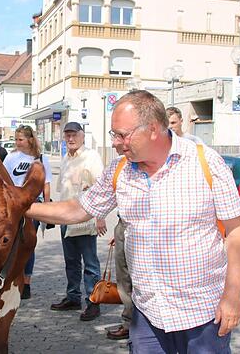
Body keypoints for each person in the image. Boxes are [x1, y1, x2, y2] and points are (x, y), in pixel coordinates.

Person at [27, 90, 240, 352]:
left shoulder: (205, 163)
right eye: (114, 135)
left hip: (202, 315)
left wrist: (232, 296)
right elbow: (78, 210)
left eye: (122, 134)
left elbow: (236, 231)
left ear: (153, 129)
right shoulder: (120, 170)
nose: (116, 143)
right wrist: (19, 206)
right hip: (147, 314)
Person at [50, 122, 106, 321]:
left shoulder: (91, 157)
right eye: (67, 135)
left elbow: (101, 187)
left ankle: (94, 302)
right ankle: (73, 297)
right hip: (66, 218)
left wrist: (100, 216)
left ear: (83, 136)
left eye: (74, 135)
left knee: (90, 263)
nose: (70, 139)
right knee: (71, 261)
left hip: (85, 217)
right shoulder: (66, 158)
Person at [3, 124, 52, 299]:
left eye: (20, 139)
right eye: (15, 139)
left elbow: (46, 183)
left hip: (34, 204)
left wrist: (47, 205)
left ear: (30, 139)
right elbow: (4, 180)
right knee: (11, 242)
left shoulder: (40, 158)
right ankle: (11, 279)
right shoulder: (10, 158)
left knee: (28, 243)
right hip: (14, 204)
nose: (17, 143)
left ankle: (27, 282)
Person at [107, 142, 134, 341]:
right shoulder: (119, 166)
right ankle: (129, 322)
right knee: (123, 279)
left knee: (139, 279)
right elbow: (88, 204)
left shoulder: (194, 153)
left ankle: (140, 325)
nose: (115, 142)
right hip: (122, 225)